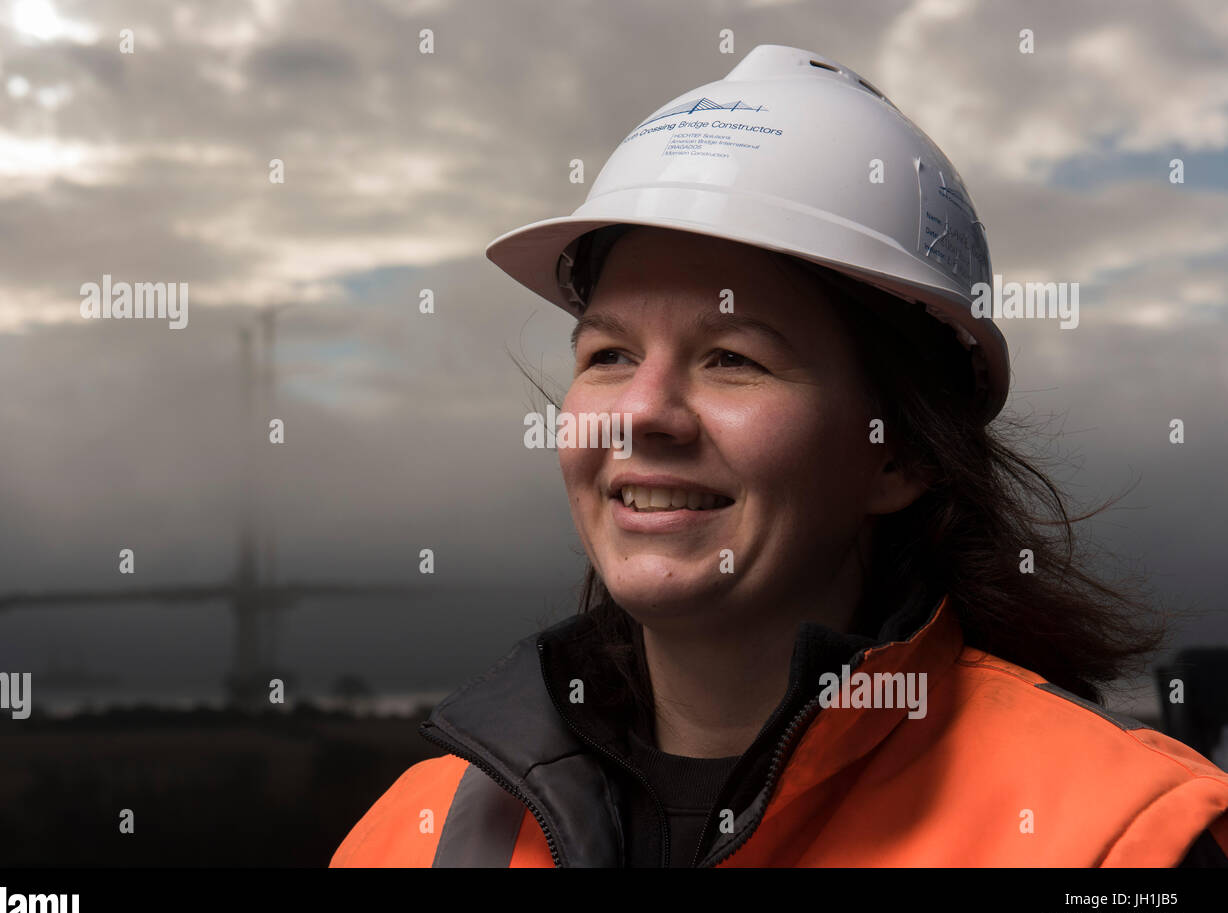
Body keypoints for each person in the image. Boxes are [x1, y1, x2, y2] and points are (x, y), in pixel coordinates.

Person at [330, 45, 1228, 867]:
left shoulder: (1123, 842)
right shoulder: (420, 835)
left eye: (733, 359)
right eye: (608, 355)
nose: (642, 413)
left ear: (902, 453)